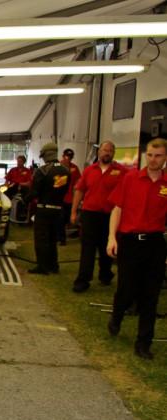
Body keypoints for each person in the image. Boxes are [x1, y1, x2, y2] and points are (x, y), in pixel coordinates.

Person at [106, 137, 167, 360]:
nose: (153, 160)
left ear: (165, 157)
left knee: (151, 295)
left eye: (158, 155)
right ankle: (117, 317)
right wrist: (112, 238)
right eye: (150, 155)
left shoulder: (166, 184)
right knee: (127, 288)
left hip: (155, 243)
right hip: (130, 241)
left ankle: (144, 342)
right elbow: (117, 209)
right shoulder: (130, 178)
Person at [70, 141, 126, 292]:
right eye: (104, 150)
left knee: (106, 247)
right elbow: (79, 191)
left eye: (110, 151)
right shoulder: (89, 170)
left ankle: (105, 274)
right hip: (90, 214)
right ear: (99, 152)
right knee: (87, 248)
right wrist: (74, 212)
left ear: (113, 153)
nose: (107, 153)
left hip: (110, 216)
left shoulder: (121, 172)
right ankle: (83, 280)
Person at [26, 142, 70, 275]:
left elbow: (35, 191)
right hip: (58, 209)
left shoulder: (43, 170)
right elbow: (62, 189)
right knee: (52, 239)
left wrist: (24, 199)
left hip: (43, 209)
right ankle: (53, 265)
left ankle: (42, 266)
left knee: (42, 239)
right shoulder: (65, 170)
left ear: (46, 155)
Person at [59, 148, 82, 245]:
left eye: (70, 157)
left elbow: (79, 181)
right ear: (63, 156)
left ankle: (62, 235)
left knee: (67, 219)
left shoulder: (75, 168)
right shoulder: (58, 167)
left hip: (70, 198)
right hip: (59, 198)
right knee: (60, 218)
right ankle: (61, 239)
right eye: (67, 156)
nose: (68, 158)